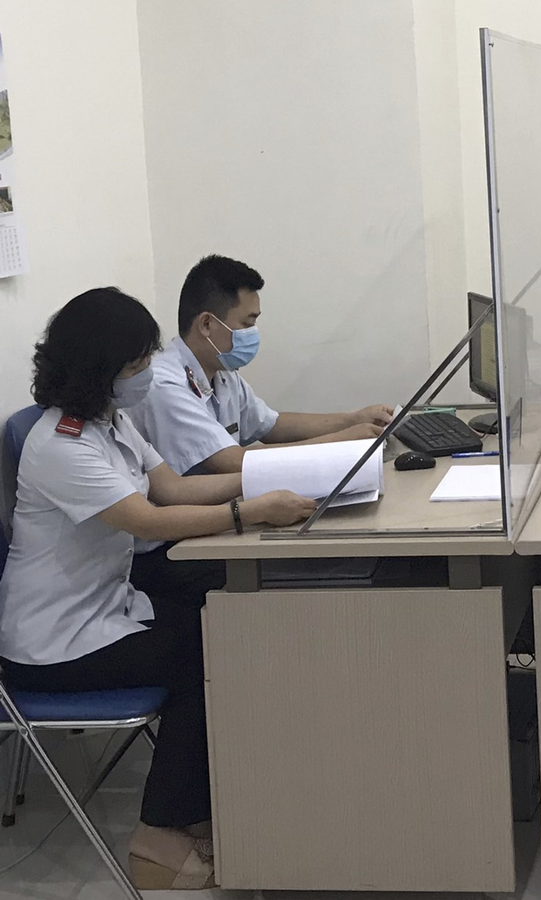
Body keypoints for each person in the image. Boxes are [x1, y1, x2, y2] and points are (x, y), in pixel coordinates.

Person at [0, 288, 316, 889]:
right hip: (54, 646)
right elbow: (148, 520)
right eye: (137, 363)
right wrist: (250, 512)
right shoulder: (60, 444)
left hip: (104, 611)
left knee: (221, 622)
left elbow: (171, 488)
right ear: (101, 369)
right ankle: (158, 836)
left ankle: (202, 801)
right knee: (205, 651)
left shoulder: (108, 421)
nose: (148, 371)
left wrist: (268, 479)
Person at [129, 254, 394, 477]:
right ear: (207, 324)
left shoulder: (221, 371)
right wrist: (341, 442)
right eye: (247, 324)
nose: (252, 333)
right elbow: (233, 462)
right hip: (187, 522)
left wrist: (354, 419)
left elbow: (271, 426)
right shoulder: (164, 386)